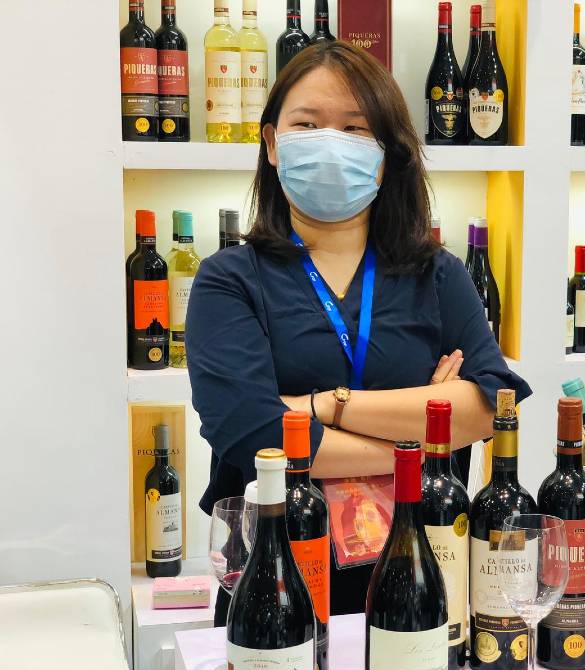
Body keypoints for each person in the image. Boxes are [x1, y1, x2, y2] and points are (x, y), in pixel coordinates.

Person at [185, 41, 531, 623]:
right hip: (276, 580)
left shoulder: (437, 274)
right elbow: (253, 436)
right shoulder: (229, 280)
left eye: (354, 128)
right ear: (272, 143)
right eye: (307, 124)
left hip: (420, 573)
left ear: (385, 155)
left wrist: (324, 406)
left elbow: (489, 407)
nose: (330, 143)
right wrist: (421, 444)